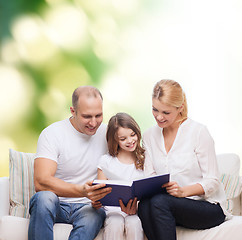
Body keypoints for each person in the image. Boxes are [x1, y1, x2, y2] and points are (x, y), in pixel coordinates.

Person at [138, 79, 229, 240]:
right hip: (168, 205)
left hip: (207, 206)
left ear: (180, 108)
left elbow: (213, 180)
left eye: (166, 112)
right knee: (145, 205)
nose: (159, 117)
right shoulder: (149, 136)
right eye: (155, 109)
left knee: (159, 202)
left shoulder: (198, 132)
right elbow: (150, 176)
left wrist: (182, 191)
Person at [28, 86, 112, 240]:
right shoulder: (53, 133)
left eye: (98, 115)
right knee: (44, 198)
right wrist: (82, 190)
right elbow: (41, 182)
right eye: (87, 116)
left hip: (89, 207)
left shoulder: (109, 134)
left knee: (96, 213)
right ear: (73, 111)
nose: (94, 123)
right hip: (57, 204)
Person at [93, 112, 145, 240]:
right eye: (123, 139)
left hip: (136, 211)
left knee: (134, 223)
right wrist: (95, 202)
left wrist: (136, 207)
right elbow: (99, 192)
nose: (130, 141)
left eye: (133, 135)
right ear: (115, 140)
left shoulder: (145, 159)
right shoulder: (106, 161)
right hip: (113, 211)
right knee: (115, 222)